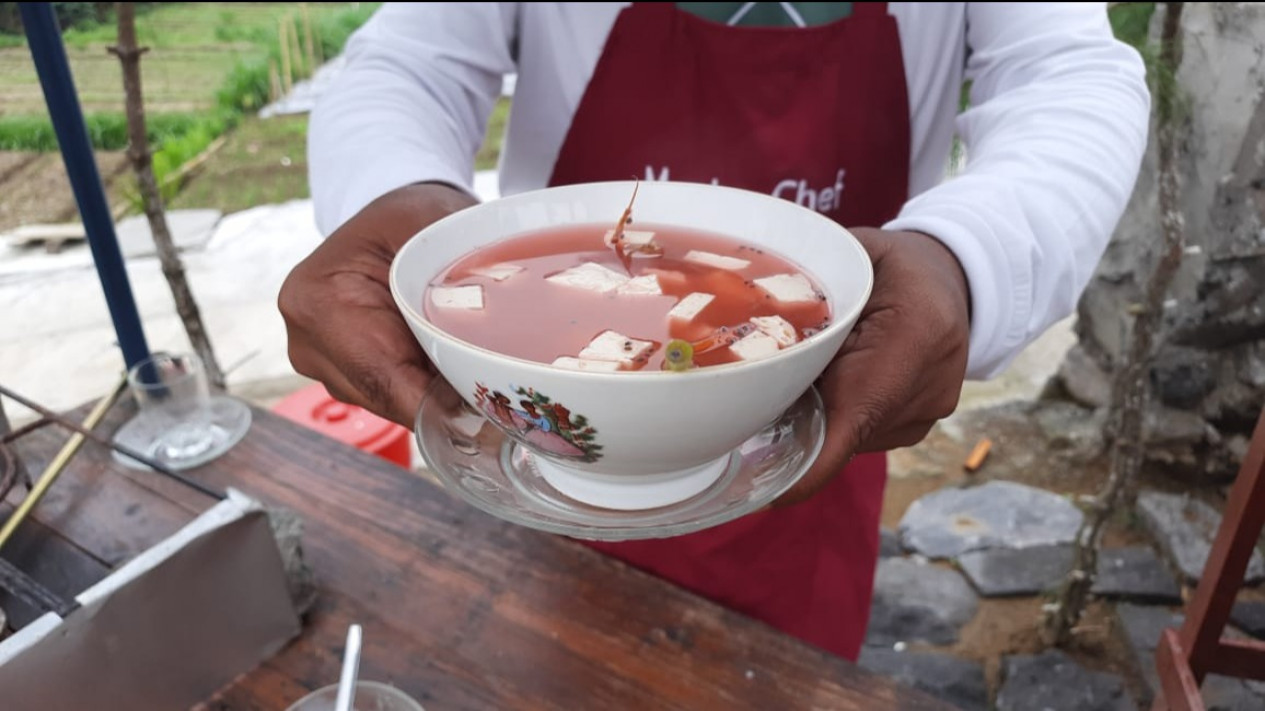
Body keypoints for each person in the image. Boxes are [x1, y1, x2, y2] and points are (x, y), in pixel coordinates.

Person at [280, 2, 1149, 661]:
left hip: (827, 405)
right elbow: (406, 61)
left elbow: (1065, 75)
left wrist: (967, 258)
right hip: (539, 437)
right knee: (556, 660)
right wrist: (400, 200)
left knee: (775, 672)